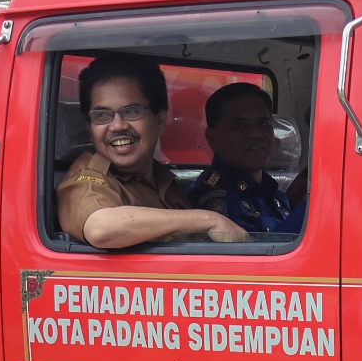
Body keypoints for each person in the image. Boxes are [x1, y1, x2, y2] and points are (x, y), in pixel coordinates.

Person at [56, 55, 247, 248]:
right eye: (102, 115)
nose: (117, 126)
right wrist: (209, 220)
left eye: (131, 111)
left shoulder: (160, 179)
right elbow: (100, 228)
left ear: (160, 120)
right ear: (90, 128)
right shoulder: (88, 179)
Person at [187, 83, 304, 234]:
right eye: (240, 125)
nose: (255, 134)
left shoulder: (273, 193)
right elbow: (268, 255)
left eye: (263, 123)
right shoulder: (216, 202)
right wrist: (309, 206)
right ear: (212, 138)